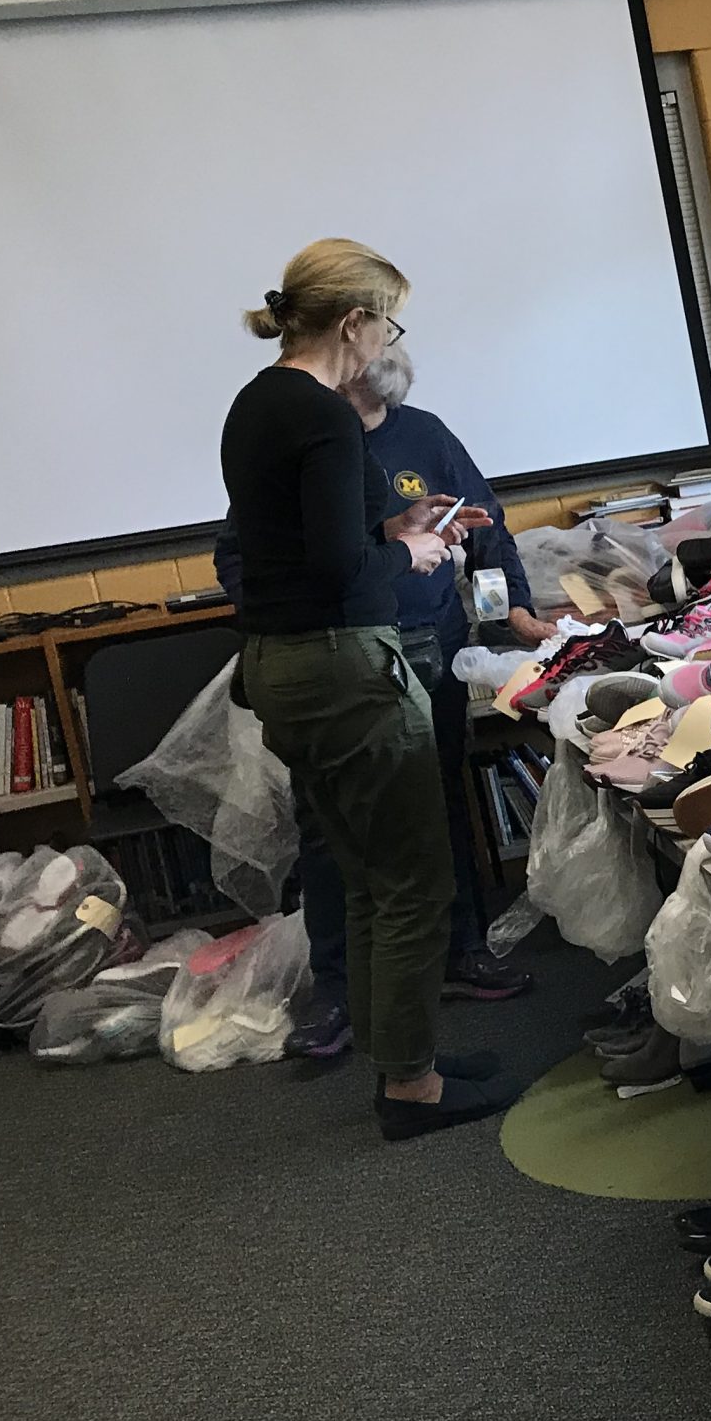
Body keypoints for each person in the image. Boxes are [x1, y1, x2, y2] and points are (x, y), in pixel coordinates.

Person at [219, 238, 515, 1140]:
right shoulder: (324, 414)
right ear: (354, 322)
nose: (390, 336)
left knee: (367, 873)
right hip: (345, 665)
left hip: (284, 664)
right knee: (415, 882)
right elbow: (341, 572)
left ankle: (405, 1063)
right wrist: (414, 551)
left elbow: (304, 543)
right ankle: (411, 1089)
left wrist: (394, 520)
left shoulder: (258, 403)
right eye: (387, 319)